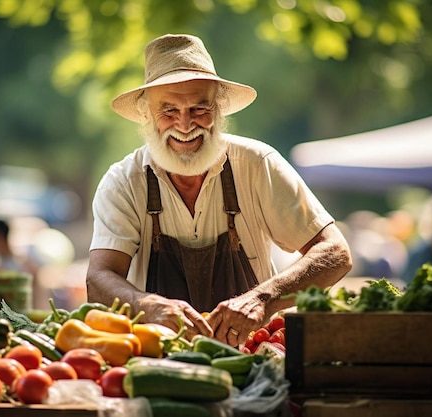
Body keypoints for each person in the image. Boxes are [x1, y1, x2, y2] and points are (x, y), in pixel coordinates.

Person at [85, 34, 352, 345]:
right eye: (169, 111)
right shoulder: (124, 181)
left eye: (199, 108)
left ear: (219, 109)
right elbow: (98, 279)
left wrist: (264, 298)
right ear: (147, 115)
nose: (185, 125)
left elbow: (336, 252)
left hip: (256, 351)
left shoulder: (256, 164)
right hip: (157, 358)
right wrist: (148, 306)